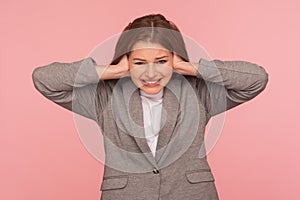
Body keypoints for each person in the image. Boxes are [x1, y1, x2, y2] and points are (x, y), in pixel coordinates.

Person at [32, 13, 268, 200]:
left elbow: (256, 79)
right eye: (139, 62)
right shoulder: (105, 96)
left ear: (174, 59)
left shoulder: (198, 92)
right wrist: (112, 71)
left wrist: (191, 68)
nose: (151, 73)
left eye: (161, 61)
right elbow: (44, 79)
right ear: (126, 61)